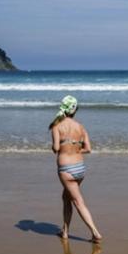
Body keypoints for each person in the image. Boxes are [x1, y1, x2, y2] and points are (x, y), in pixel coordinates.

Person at [49, 95, 103, 243]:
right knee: (66, 198)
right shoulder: (81, 127)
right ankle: (65, 231)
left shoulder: (57, 126)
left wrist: (62, 147)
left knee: (78, 202)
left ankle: (95, 233)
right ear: (75, 110)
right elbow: (88, 149)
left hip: (66, 169)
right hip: (80, 168)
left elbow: (56, 148)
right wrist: (75, 149)